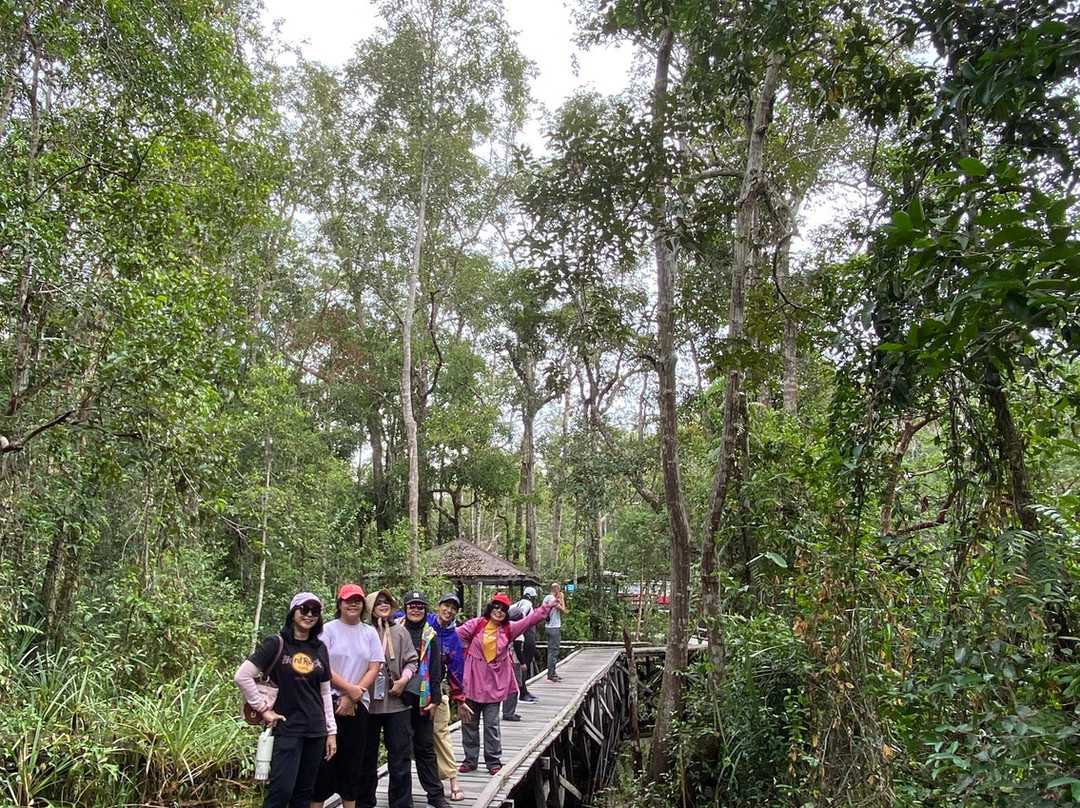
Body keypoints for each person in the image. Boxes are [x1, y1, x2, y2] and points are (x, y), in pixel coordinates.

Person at [234, 592, 337, 808]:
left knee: (304, 794)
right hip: (287, 727)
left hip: (316, 730)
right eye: (304, 609)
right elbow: (242, 676)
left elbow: (325, 692)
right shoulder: (276, 643)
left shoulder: (320, 648)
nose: (309, 615)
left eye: (315, 611)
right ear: (293, 612)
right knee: (281, 791)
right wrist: (263, 709)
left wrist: (331, 731)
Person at [456, 592, 552, 775]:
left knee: (491, 725)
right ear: (491, 608)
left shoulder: (509, 628)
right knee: (469, 724)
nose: (499, 611)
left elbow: (530, 620)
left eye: (503, 609)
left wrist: (547, 607)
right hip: (472, 683)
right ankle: (470, 761)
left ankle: (493, 761)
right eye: (496, 606)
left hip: (493, 685)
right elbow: (454, 634)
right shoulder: (476, 624)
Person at [311, 584, 384, 808]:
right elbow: (322, 664)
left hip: (359, 706)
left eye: (357, 601)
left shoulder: (369, 632)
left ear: (363, 605)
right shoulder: (328, 630)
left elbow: (374, 666)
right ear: (339, 604)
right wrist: (347, 689)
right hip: (328, 702)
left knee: (353, 765)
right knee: (324, 763)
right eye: (348, 600)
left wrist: (354, 693)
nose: (353, 604)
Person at [360, 589, 419, 808]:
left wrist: (403, 680)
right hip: (368, 705)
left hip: (397, 705)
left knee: (400, 759)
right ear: (370, 607)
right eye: (378, 602)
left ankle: (401, 804)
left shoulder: (400, 632)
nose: (383, 605)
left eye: (387, 602)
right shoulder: (364, 632)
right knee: (367, 759)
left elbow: (413, 661)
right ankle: (365, 802)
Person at [398, 591, 450, 808]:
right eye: (412, 605)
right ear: (406, 608)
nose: (416, 609)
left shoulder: (431, 635)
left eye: (420, 605)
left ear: (425, 609)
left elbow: (437, 671)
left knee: (425, 748)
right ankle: (402, 799)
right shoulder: (395, 630)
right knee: (399, 749)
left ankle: (436, 795)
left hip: (424, 698)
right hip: (398, 698)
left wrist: (435, 701)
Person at [428, 594, 470, 802]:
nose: (449, 610)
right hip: (410, 690)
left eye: (453, 608)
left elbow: (456, 670)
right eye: (446, 605)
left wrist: (460, 700)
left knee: (441, 734)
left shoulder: (453, 638)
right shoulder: (424, 621)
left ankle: (453, 781)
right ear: (439, 606)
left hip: (437, 692)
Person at [502, 587, 538, 722]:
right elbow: (525, 617)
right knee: (519, 675)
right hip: (525, 637)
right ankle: (521, 695)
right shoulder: (527, 605)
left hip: (512, 652)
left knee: (513, 679)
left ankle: (522, 693)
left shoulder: (514, 605)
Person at [542, 583, 566, 683]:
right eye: (559, 590)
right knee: (553, 652)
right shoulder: (553, 599)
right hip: (554, 627)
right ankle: (551, 676)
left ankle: (553, 673)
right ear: (556, 590)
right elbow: (563, 610)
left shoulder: (546, 598)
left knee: (550, 651)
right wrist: (562, 598)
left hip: (547, 626)